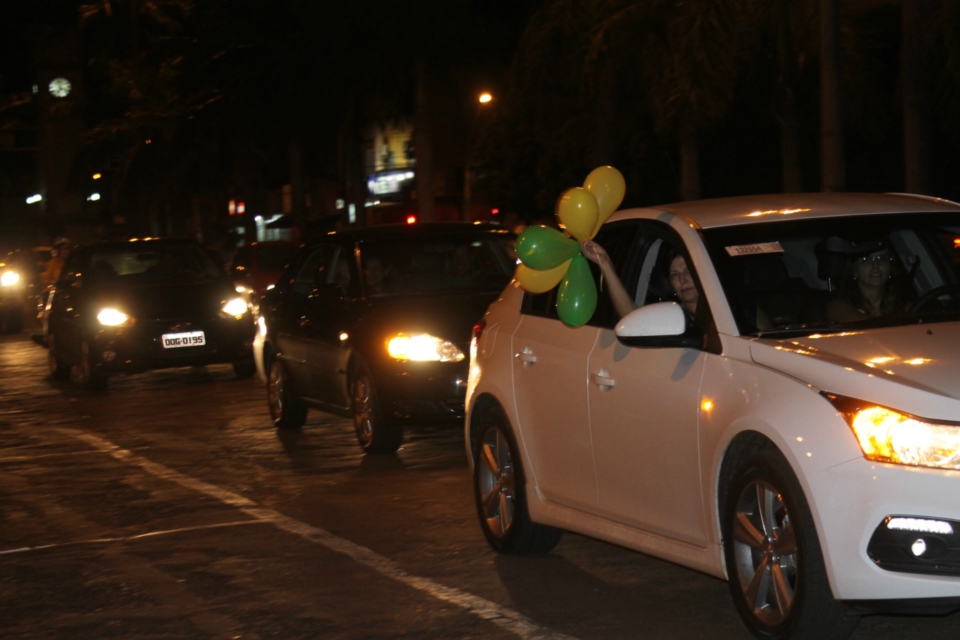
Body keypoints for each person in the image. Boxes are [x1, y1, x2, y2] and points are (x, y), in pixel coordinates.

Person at [581, 240, 699, 322]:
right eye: (674, 275)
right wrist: (605, 263)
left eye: (688, 271)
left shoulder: (717, 310)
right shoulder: (672, 316)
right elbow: (632, 316)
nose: (682, 280)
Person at [826, 245, 908, 321]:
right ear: (854, 270)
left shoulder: (904, 307)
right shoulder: (839, 305)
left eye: (881, 258)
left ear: (890, 268)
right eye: (865, 259)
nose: (875, 265)